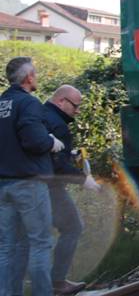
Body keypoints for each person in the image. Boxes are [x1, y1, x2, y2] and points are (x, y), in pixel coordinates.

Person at [0, 57, 64, 296]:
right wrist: (51, 142)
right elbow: (34, 140)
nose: (36, 77)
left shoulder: (2, 103)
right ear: (28, 78)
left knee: (7, 247)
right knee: (40, 243)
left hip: (2, 185)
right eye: (35, 73)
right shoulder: (28, 103)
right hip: (28, 183)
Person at [42, 85, 99, 295]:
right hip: (50, 186)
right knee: (73, 227)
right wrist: (84, 179)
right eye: (75, 106)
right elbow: (56, 165)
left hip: (24, 182)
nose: (77, 111)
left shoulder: (38, 114)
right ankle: (57, 283)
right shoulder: (58, 125)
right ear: (61, 101)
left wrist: (68, 153)